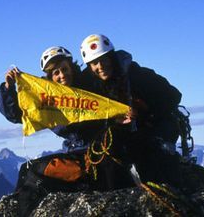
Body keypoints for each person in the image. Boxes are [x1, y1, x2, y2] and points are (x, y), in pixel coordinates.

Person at [0, 46, 135, 216]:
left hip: (97, 158)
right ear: (50, 77)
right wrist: (8, 90)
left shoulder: (89, 85)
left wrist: (120, 115)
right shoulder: (47, 99)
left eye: (64, 69)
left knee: (33, 173)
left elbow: (110, 100)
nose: (62, 75)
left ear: (72, 67)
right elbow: (17, 114)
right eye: (56, 72)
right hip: (76, 156)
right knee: (26, 170)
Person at [79, 33, 184, 186]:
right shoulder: (90, 87)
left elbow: (173, 96)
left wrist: (144, 111)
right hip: (124, 134)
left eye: (103, 59)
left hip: (152, 128)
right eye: (94, 63)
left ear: (112, 57)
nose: (100, 66)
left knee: (156, 159)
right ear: (89, 67)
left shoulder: (136, 75)